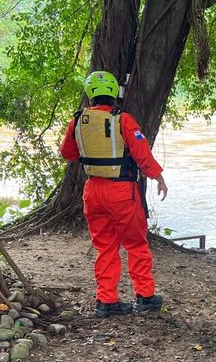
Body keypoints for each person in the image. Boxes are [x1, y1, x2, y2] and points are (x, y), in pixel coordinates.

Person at [59, 71, 168, 318]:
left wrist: (95, 156)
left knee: (105, 246)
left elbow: (68, 152)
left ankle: (106, 301)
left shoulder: (77, 120)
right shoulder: (123, 120)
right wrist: (158, 177)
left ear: (90, 94)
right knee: (136, 244)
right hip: (121, 192)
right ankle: (145, 296)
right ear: (114, 94)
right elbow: (142, 155)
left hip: (93, 191)